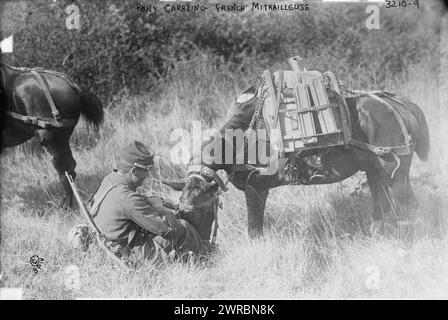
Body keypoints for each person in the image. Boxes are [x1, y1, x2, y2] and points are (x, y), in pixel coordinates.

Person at [89, 140, 203, 267]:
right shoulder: (127, 199)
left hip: (106, 244)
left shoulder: (110, 179)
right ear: (133, 171)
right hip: (125, 256)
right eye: (146, 169)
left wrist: (152, 201)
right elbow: (165, 228)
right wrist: (173, 213)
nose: (148, 174)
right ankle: (202, 260)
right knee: (182, 227)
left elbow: (131, 202)